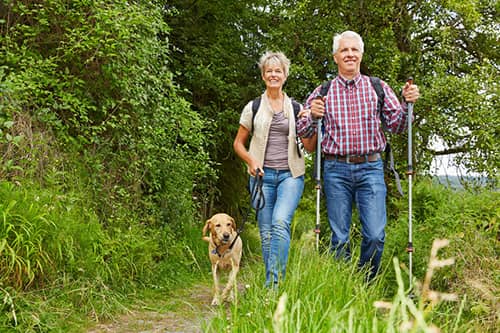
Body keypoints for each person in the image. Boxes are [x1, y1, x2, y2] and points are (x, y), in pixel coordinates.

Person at [297, 31, 420, 281]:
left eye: (354, 50)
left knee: (375, 235)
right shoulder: (323, 91)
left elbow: (398, 125)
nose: (350, 54)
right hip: (335, 169)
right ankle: (344, 286)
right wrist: (312, 115)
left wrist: (409, 104)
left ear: (361, 55)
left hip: (371, 168)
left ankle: (365, 282)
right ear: (335, 57)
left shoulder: (378, 87)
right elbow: (302, 131)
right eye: (344, 50)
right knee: (339, 237)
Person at [233, 51, 307, 288]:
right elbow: (238, 144)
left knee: (280, 223)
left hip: (290, 175)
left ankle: (273, 286)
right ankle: (273, 283)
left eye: (278, 71)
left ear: (285, 75)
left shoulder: (296, 108)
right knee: (266, 235)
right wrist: (251, 162)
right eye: (269, 71)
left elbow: (310, 145)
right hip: (261, 178)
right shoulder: (253, 107)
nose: (273, 75)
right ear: (263, 75)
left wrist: (311, 124)